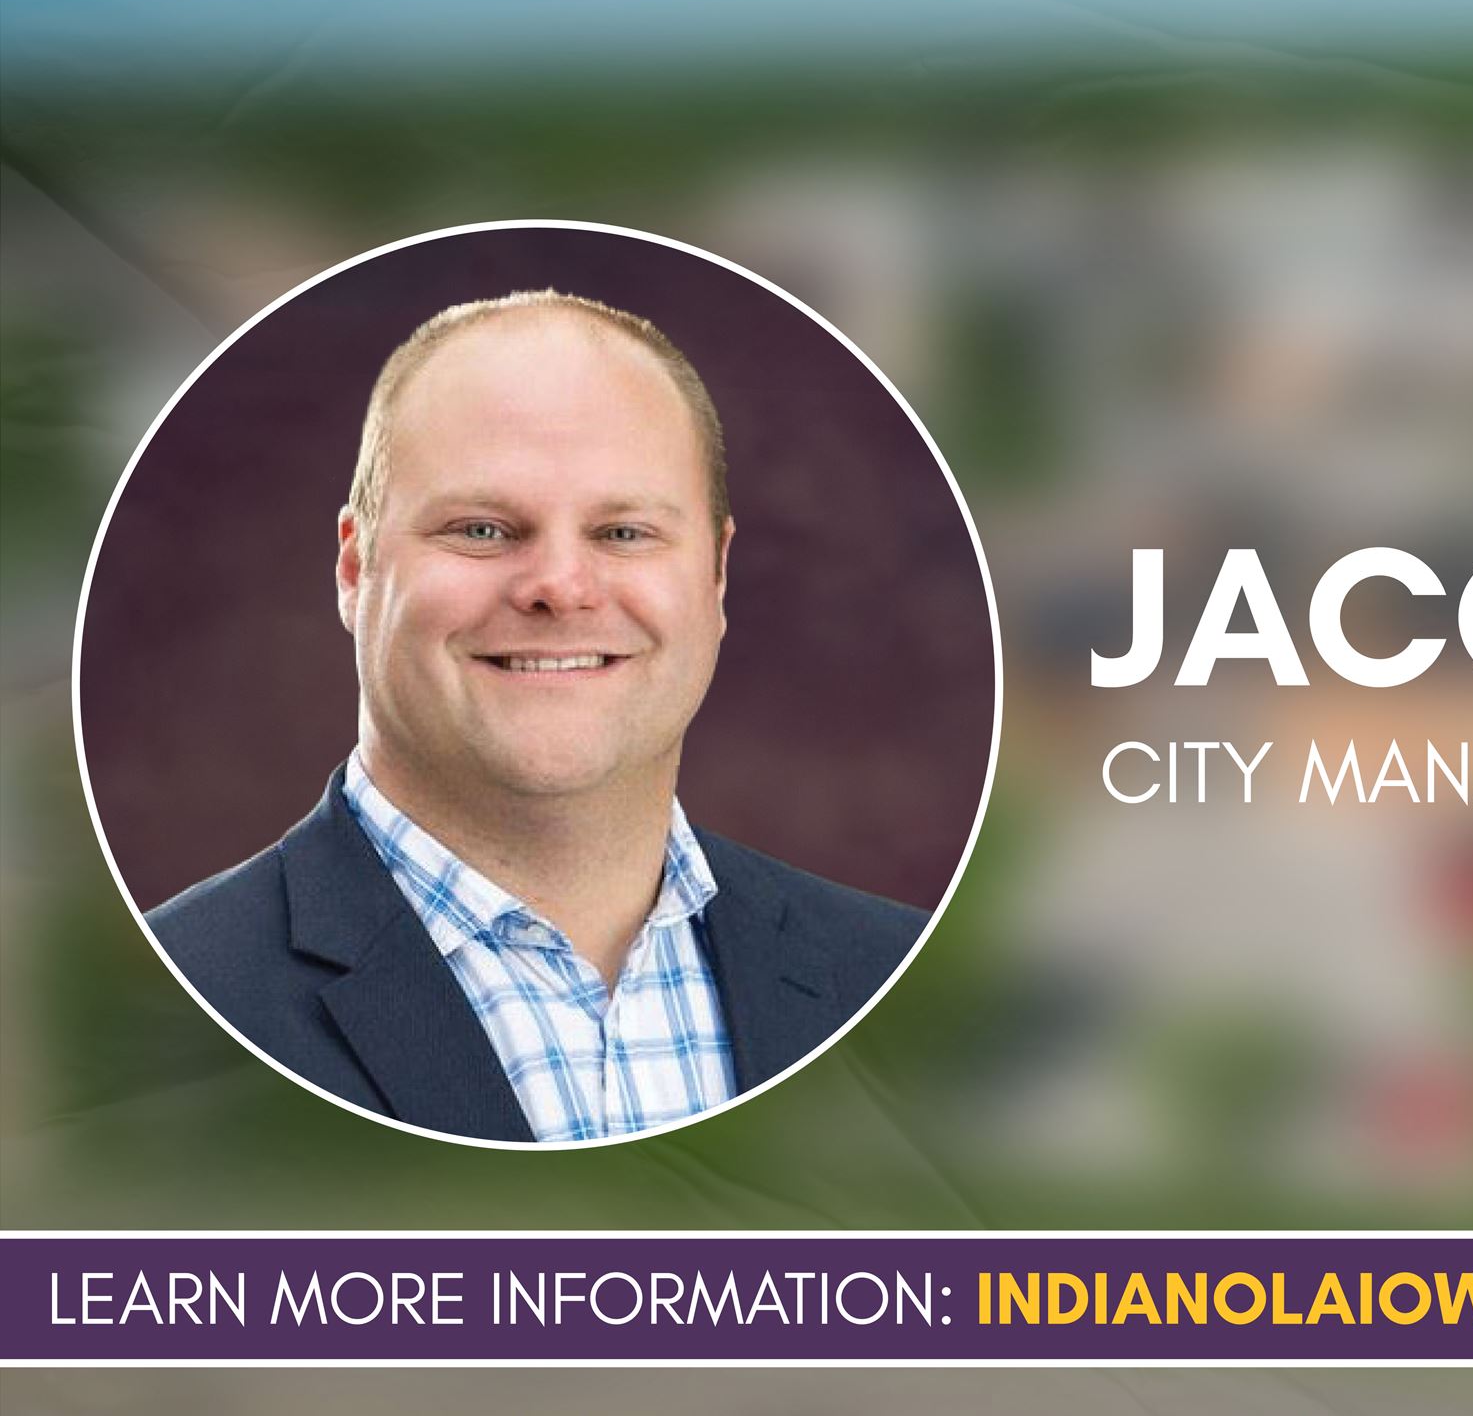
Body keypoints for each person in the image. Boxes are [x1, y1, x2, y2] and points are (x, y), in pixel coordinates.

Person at [147, 291, 925, 1142]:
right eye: (482, 528)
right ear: (354, 568)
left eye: (624, 533)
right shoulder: (166, 1008)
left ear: (717, 575)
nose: (559, 586)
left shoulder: (899, 981)